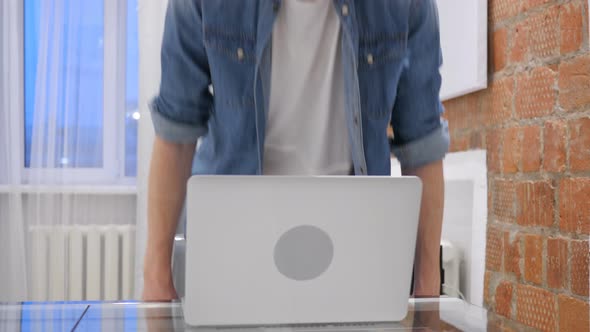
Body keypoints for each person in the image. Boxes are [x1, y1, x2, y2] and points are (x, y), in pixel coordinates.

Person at [143, 0, 448, 301]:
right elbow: (176, 134)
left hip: (355, 250)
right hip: (234, 247)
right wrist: (156, 277)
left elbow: (423, 146)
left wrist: (427, 288)